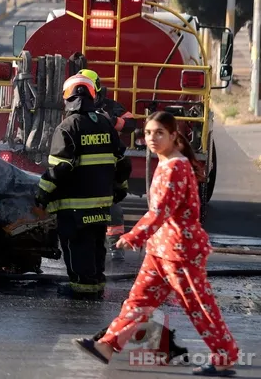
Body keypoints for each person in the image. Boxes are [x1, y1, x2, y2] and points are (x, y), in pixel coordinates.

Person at [74, 111, 241, 377]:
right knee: (138, 301)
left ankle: (224, 355)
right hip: (159, 250)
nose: (151, 138)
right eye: (148, 133)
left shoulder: (176, 167)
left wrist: (133, 236)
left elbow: (160, 210)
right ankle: (107, 346)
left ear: (174, 136)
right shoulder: (167, 163)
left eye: (159, 133)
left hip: (180, 251)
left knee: (198, 305)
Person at [35, 73, 130, 299]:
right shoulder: (106, 124)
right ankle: (96, 287)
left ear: (68, 98)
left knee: (77, 248)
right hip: (100, 205)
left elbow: (61, 168)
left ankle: (81, 291)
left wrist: (42, 193)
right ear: (92, 96)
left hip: (74, 205)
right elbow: (122, 162)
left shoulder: (67, 127)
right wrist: (119, 189)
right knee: (97, 247)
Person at [80, 68, 137, 261]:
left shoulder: (108, 107)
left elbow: (131, 124)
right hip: (82, 166)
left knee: (112, 207)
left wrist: (111, 120)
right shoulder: (72, 108)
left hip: (106, 165)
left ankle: (115, 249)